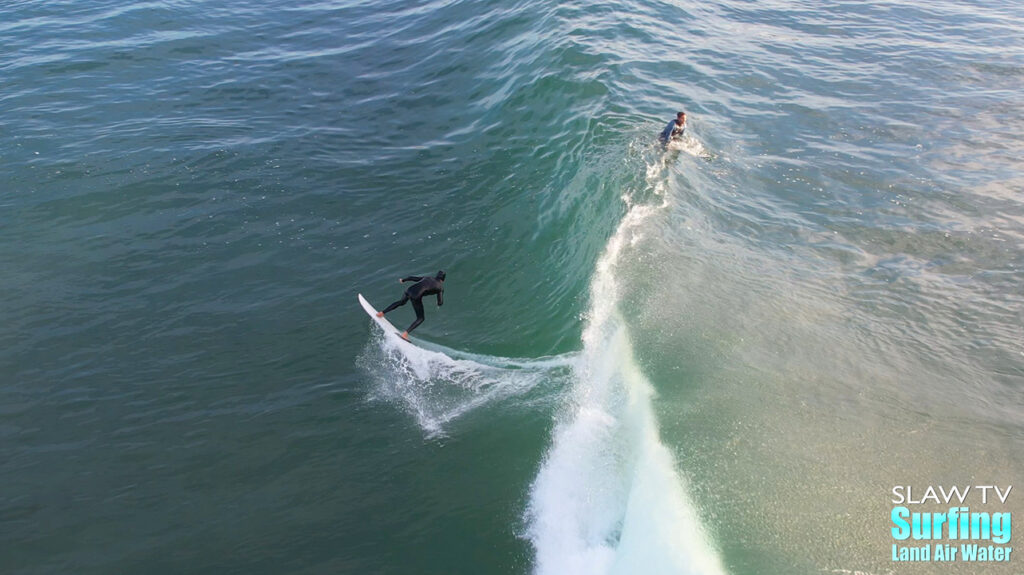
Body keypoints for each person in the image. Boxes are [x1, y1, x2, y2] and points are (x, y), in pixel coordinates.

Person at [377, 270, 445, 340]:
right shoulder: (440, 287)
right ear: (443, 280)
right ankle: (405, 334)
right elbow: (440, 302)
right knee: (421, 318)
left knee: (401, 302)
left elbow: (412, 278)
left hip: (409, 290)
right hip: (416, 296)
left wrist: (403, 280)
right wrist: (438, 303)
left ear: (436, 276)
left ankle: (381, 313)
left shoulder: (428, 277)